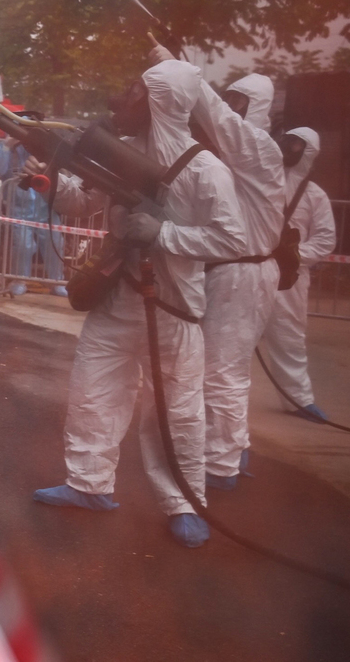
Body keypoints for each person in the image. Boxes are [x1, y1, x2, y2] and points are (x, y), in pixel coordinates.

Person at [31, 58, 245, 549]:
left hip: (171, 311)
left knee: (176, 412)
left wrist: (165, 233)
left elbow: (232, 240)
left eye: (134, 90)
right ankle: (88, 483)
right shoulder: (120, 152)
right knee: (92, 391)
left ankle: (185, 502)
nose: (120, 100)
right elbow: (82, 202)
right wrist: (50, 182)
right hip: (118, 298)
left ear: (160, 102)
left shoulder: (206, 170)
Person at [184, 70, 287, 491]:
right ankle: (234, 447)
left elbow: (218, 118)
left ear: (254, 105)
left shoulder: (258, 147)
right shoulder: (248, 154)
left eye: (238, 100)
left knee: (221, 372)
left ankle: (220, 466)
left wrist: (182, 70)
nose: (232, 106)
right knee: (229, 367)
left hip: (242, 272)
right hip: (242, 271)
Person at [259, 128, 337, 421]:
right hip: (251, 269)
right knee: (233, 335)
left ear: (309, 152)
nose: (288, 148)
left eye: (296, 144)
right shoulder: (261, 181)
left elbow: (325, 239)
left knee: (288, 337)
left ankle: (298, 399)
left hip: (290, 278)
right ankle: (216, 400)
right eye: (286, 141)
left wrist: (293, 257)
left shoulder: (315, 195)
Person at [0, 138, 67, 296]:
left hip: (45, 206)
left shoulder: (42, 145)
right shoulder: (2, 148)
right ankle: (19, 280)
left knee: (55, 244)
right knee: (24, 245)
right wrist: (7, 145)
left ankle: (57, 281)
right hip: (19, 207)